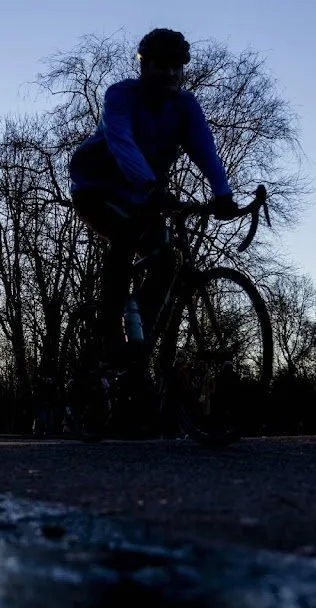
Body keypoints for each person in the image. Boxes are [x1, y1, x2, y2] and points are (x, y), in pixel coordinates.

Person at [68, 28, 240, 372]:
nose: (171, 74)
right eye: (162, 66)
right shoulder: (121, 95)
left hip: (142, 195)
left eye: (178, 67)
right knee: (125, 232)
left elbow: (204, 148)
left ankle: (138, 342)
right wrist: (149, 185)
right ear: (144, 67)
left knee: (166, 263)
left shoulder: (185, 105)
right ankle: (109, 336)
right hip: (95, 186)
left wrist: (223, 193)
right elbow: (121, 141)